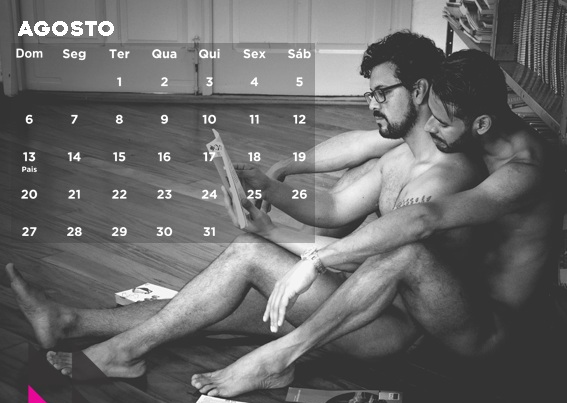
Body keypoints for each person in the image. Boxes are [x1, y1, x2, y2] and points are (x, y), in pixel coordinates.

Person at [5, 32, 483, 384]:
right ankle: (71, 322)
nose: (372, 105)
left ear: (419, 91)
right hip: (354, 300)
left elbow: (367, 259)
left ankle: (121, 354)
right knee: (209, 305)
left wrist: (270, 235)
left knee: (248, 254)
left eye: (382, 94)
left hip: (385, 329)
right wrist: (270, 189)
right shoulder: (400, 155)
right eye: (370, 94)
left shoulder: (446, 177)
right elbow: (337, 207)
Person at [189, 49, 561, 397]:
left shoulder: (524, 171)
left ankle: (279, 358)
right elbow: (361, 144)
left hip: (487, 329)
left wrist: (317, 260)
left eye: (440, 122)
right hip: (448, 298)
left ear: (481, 124)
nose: (429, 127)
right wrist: (280, 171)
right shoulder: (469, 125)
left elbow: (424, 218)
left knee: (405, 251)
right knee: (373, 183)